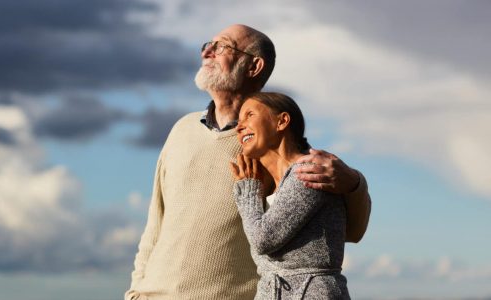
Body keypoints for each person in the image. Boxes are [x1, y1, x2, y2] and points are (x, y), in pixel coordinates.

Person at [125, 24, 371, 300]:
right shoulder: (182, 130)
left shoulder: (270, 146)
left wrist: (354, 183)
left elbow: (350, 230)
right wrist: (136, 290)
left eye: (223, 47)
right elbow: (155, 222)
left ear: (254, 66)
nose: (208, 51)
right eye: (208, 45)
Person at [231, 92, 350, 299]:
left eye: (249, 115)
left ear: (282, 121)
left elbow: (263, 240)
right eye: (238, 121)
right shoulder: (271, 185)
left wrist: (248, 191)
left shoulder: (309, 171)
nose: (239, 127)